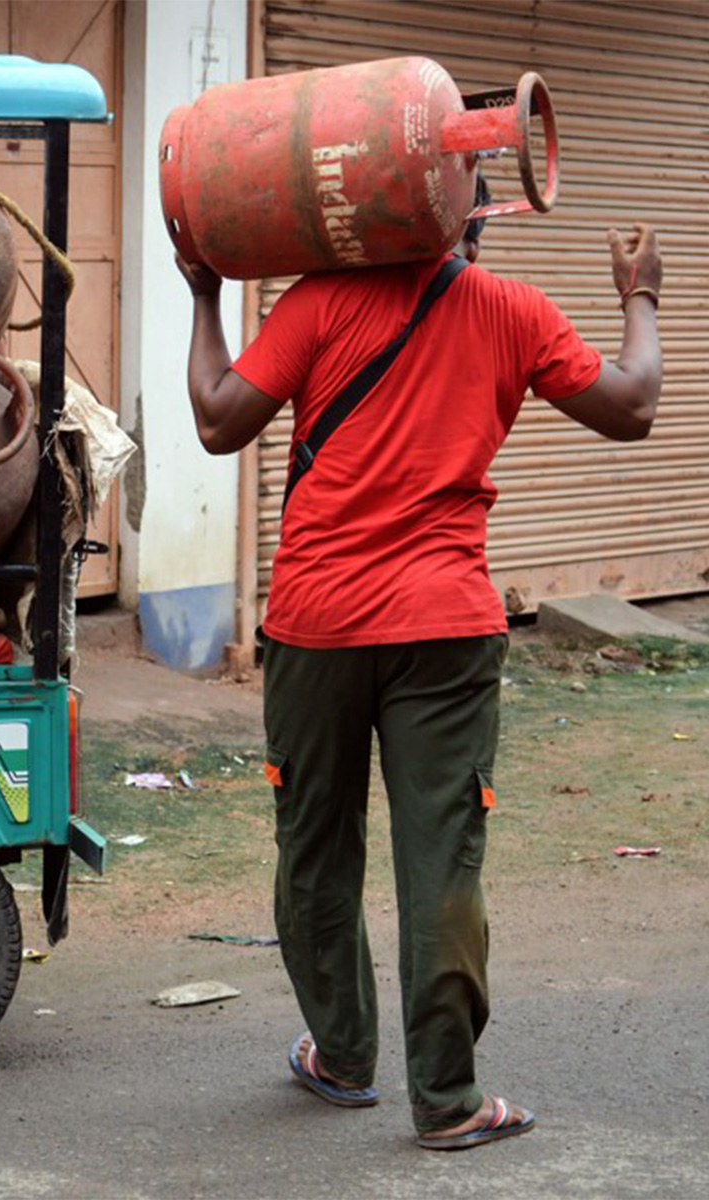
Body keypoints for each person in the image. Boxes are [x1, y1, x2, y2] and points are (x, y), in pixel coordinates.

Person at [174, 180, 663, 1150]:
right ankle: (445, 1100)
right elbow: (634, 406)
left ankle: (343, 1055)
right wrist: (637, 294)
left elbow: (218, 419)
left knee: (315, 845)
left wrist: (201, 294)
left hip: (314, 625)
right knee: (440, 854)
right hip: (445, 628)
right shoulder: (512, 311)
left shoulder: (314, 301)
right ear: (464, 223)